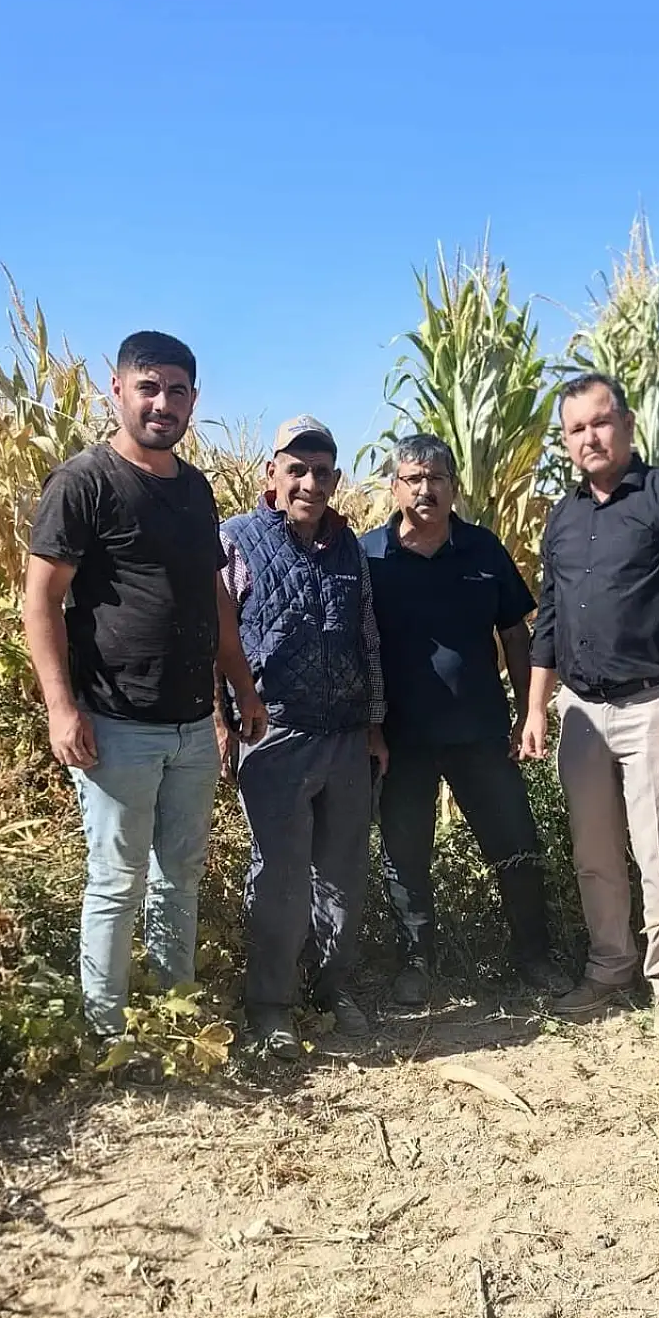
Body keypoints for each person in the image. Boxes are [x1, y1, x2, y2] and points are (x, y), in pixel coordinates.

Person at [24, 330, 266, 1062]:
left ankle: (174, 1011)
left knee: (179, 876)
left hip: (192, 723)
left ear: (194, 399)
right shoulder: (84, 482)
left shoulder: (194, 490)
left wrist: (239, 692)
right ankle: (106, 1031)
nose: (164, 404)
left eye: (178, 391)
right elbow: (40, 602)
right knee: (116, 880)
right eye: (149, 388)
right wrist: (62, 708)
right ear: (118, 391)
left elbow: (214, 600)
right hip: (115, 723)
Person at [520, 373, 659, 1034]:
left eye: (600, 423)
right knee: (593, 850)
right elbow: (548, 616)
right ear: (566, 442)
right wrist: (536, 707)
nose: (589, 438)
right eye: (575, 429)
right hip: (580, 710)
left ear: (628, 425)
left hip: (654, 701)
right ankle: (609, 967)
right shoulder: (564, 517)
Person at [360, 434, 571, 1004]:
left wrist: (531, 712)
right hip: (401, 740)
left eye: (437, 479)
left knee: (516, 846)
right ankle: (417, 962)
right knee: (405, 854)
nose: (425, 489)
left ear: (453, 487)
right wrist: (370, 729)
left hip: (481, 733)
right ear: (395, 486)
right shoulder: (368, 557)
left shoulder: (483, 549)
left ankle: (533, 956)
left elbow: (515, 636)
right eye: (413, 478)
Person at [218, 416, 388, 1058]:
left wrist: (374, 725)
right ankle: (270, 1005)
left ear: (336, 479)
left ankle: (332, 987)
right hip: (275, 731)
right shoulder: (235, 539)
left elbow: (367, 638)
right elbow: (218, 639)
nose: (309, 482)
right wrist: (222, 722)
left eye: (321, 471)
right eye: (297, 469)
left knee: (343, 872)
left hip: (345, 732)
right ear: (273, 474)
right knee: (281, 874)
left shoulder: (349, 548)